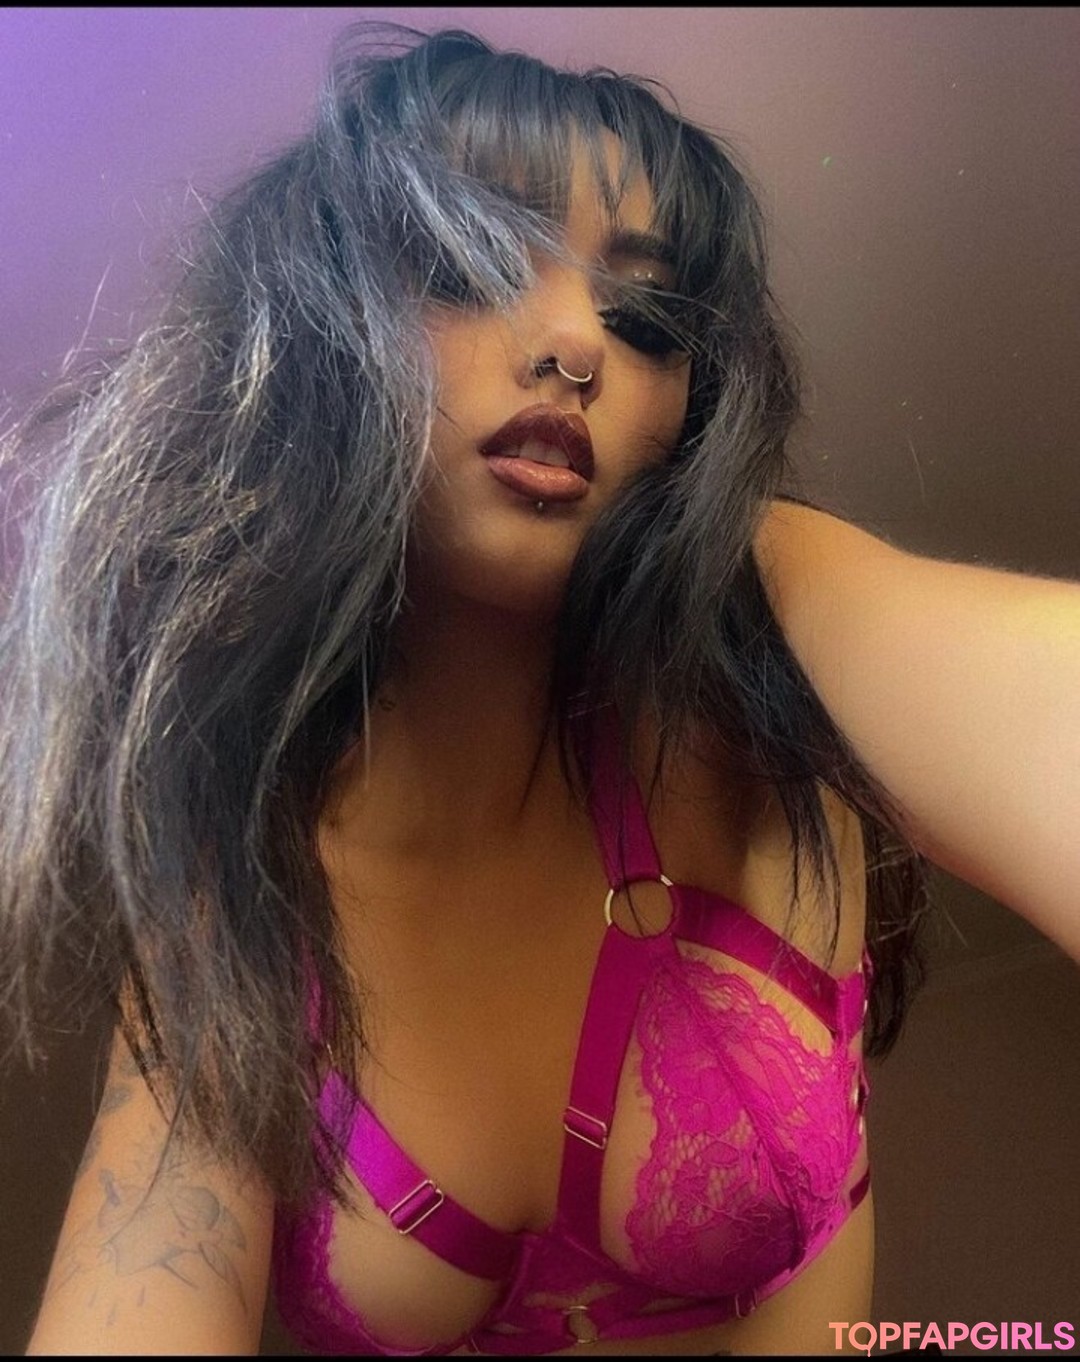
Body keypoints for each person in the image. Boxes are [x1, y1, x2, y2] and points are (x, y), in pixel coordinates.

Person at [1, 22, 1076, 1357]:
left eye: (645, 318)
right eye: (470, 262)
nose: (575, 341)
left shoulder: (774, 628)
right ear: (319, 321)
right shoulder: (236, 888)